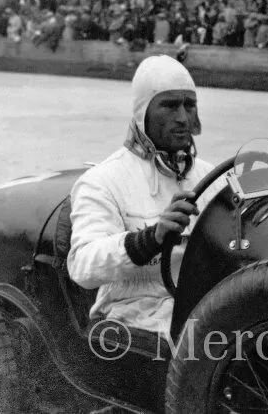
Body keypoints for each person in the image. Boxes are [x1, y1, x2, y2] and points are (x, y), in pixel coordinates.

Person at [68, 55, 224, 333]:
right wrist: (151, 238)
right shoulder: (101, 181)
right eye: (169, 105)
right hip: (132, 316)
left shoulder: (211, 176)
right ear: (143, 115)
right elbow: (82, 267)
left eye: (189, 105)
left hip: (202, 308)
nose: (182, 118)